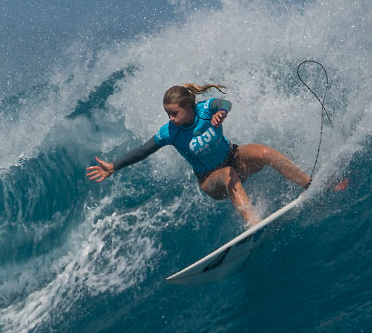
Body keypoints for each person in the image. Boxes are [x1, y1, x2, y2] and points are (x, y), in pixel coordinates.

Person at [85, 83, 311, 226]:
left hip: (234, 156)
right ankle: (253, 224)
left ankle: (309, 184)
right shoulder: (170, 132)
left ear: (190, 107)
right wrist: (114, 166)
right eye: (167, 114)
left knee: (264, 152)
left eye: (174, 113)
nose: (170, 118)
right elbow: (144, 150)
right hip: (211, 180)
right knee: (228, 173)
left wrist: (222, 113)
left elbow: (226, 102)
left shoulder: (206, 109)